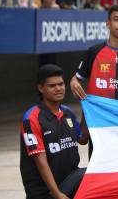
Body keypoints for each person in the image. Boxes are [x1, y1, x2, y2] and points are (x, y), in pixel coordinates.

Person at [70, 4, 118, 157]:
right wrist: (73, 83)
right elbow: (76, 78)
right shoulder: (94, 51)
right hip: (98, 118)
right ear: (108, 23)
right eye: (116, 19)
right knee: (97, 161)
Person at [20, 64, 89, 199]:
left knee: (95, 175)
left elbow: (83, 139)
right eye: (52, 86)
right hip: (45, 192)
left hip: (70, 182)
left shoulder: (68, 112)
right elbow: (41, 161)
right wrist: (57, 194)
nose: (58, 89)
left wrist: (88, 111)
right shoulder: (31, 118)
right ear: (41, 88)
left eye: (61, 84)